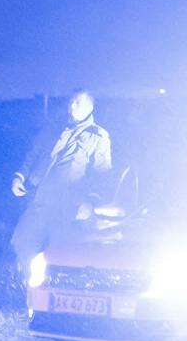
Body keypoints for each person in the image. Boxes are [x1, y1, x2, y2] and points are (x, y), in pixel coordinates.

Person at [9, 91, 112, 272]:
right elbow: (33, 155)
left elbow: (101, 173)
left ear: (90, 107)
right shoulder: (53, 129)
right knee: (22, 241)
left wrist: (91, 201)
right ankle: (30, 283)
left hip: (68, 204)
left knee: (61, 251)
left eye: (78, 102)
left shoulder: (98, 136)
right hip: (39, 198)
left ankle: (59, 290)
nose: (72, 106)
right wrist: (19, 176)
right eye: (71, 101)